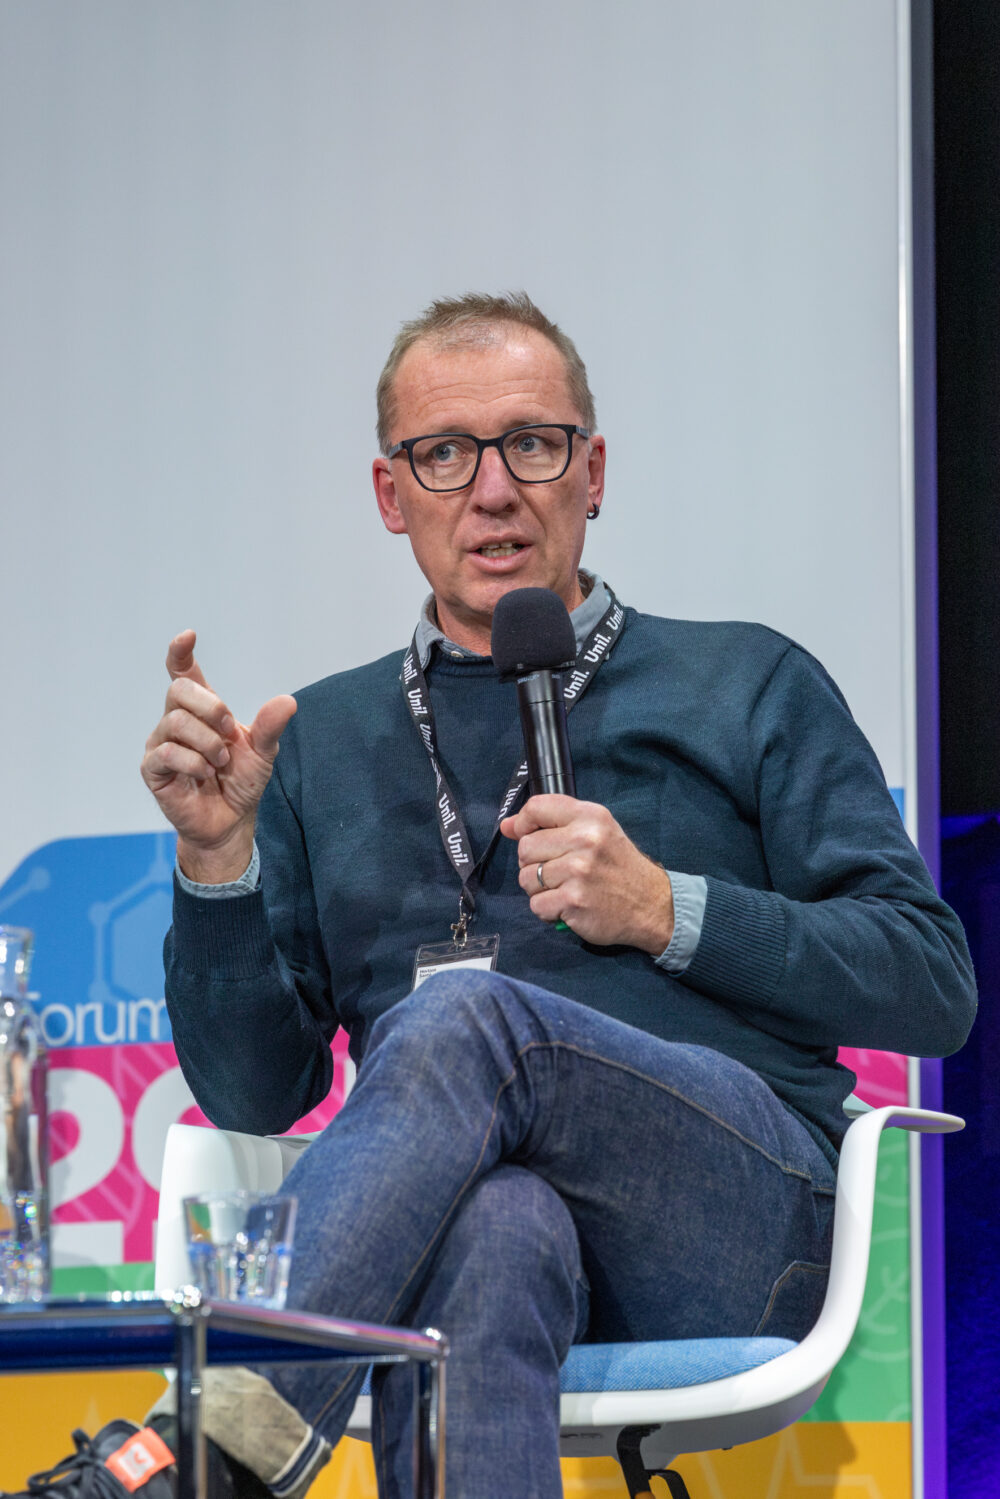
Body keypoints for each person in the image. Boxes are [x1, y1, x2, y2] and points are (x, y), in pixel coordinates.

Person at [15, 294, 975, 1499]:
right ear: (390, 493)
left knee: (466, 1018)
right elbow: (256, 1094)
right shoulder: (321, 739)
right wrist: (217, 864)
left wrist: (664, 907)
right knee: (495, 1224)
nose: (492, 490)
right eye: (443, 454)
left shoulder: (746, 680)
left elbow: (930, 982)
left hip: (734, 1224)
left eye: (531, 443)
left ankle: (193, 1457)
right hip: (458, 1216)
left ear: (592, 471)